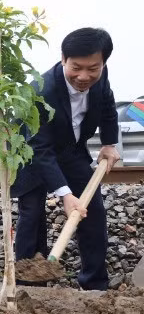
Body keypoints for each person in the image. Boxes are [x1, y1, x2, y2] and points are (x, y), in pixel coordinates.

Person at [12, 28, 120, 290]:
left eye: (92, 68)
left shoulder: (100, 78)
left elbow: (107, 107)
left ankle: (94, 285)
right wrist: (65, 194)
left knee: (92, 211)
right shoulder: (40, 90)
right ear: (63, 59)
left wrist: (109, 143)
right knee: (32, 214)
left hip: (71, 150)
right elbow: (40, 148)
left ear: (103, 64)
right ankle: (28, 286)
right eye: (76, 68)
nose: (83, 76)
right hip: (31, 152)